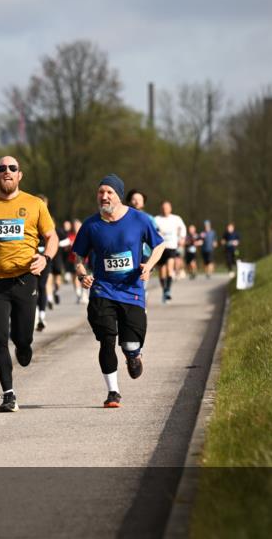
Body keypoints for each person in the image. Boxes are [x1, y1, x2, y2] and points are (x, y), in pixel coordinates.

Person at [0, 156, 56, 412]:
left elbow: (51, 236)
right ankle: (8, 394)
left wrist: (45, 257)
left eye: (12, 168)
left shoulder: (35, 204)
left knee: (22, 337)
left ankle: (24, 345)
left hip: (25, 279)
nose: (7, 172)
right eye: (2, 168)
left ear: (20, 175)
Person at [72, 175, 165, 408]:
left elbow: (160, 244)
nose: (104, 196)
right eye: (101, 192)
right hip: (103, 290)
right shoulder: (91, 225)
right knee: (106, 339)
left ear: (119, 195)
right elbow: (77, 257)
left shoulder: (139, 220)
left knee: (130, 344)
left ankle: (133, 356)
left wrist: (149, 265)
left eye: (109, 192)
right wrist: (83, 275)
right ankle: (113, 392)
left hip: (131, 289)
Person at [153, 201, 185, 303]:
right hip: (160, 247)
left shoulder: (176, 218)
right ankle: (164, 289)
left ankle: (168, 290)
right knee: (162, 270)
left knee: (170, 268)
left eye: (167, 208)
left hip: (171, 246)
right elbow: (151, 230)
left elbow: (183, 228)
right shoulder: (156, 219)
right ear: (161, 208)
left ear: (170, 208)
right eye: (163, 208)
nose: (165, 209)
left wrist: (182, 238)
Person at [34, 195, 55, 332]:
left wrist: (48, 253)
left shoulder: (50, 221)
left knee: (41, 286)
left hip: (45, 258)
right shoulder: (29, 217)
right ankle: (34, 316)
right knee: (32, 287)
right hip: (30, 258)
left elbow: (54, 239)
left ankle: (41, 316)